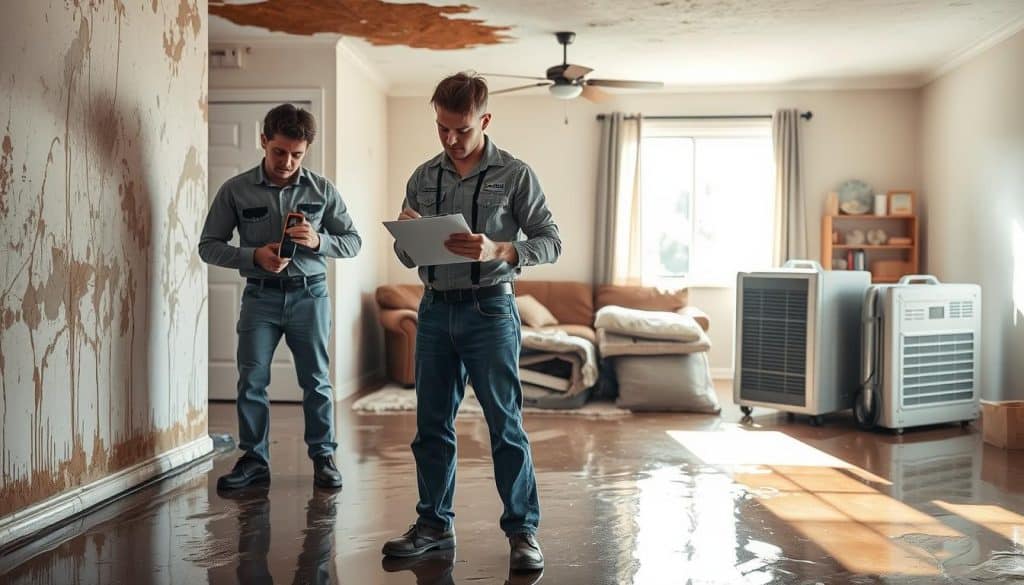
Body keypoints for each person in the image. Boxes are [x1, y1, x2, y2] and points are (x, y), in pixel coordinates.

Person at [382, 72, 561, 572]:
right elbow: (404, 254)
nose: (451, 139)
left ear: (484, 120)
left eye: (461, 129)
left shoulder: (517, 174)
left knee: (505, 425)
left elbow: (551, 240)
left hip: (491, 309)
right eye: (442, 128)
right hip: (435, 308)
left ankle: (523, 533)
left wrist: (502, 248)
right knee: (431, 426)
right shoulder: (422, 177)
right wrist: (406, 235)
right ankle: (433, 526)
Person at [198, 104, 361, 491]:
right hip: (260, 298)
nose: (287, 162)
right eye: (279, 152)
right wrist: (253, 256)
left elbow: (354, 241)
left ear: (306, 151)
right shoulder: (235, 190)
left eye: (296, 154)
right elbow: (208, 246)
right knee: (251, 380)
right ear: (264, 141)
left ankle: (324, 457)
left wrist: (320, 240)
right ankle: (254, 460)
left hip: (311, 297)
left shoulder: (323, 190)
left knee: (316, 381)